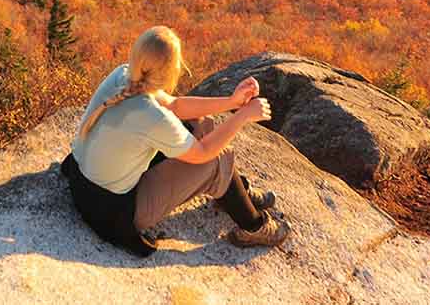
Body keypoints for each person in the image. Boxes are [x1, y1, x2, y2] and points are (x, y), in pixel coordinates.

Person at [61, 26, 289, 255]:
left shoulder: (123, 74)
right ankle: (253, 226)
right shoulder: (152, 116)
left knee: (201, 123)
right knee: (218, 160)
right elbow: (203, 153)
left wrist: (233, 102)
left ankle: (235, 193)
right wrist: (243, 117)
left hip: (84, 182)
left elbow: (176, 106)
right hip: (112, 211)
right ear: (171, 71)